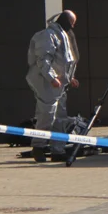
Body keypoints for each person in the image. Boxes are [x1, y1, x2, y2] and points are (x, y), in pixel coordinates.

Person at [26, 11, 79, 163]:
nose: (73, 26)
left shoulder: (61, 35)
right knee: (47, 115)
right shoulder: (48, 35)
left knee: (59, 118)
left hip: (58, 84)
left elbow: (64, 61)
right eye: (72, 22)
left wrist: (70, 78)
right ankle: (38, 147)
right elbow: (43, 60)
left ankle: (57, 150)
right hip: (46, 82)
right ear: (66, 21)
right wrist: (51, 78)